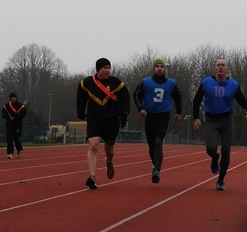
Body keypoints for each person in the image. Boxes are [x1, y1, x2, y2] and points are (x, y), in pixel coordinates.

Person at [192, 59, 247, 191]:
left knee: (226, 150)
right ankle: (214, 156)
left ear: (227, 69)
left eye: (223, 66)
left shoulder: (233, 85)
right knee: (211, 148)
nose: (220, 67)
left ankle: (221, 180)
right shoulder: (206, 82)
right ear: (214, 69)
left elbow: (243, 100)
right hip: (211, 120)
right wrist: (196, 118)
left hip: (226, 120)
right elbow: (196, 100)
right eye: (218, 65)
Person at [76, 58, 130, 189]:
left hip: (112, 120)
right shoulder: (87, 83)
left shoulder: (116, 83)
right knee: (93, 146)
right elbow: (81, 97)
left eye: (109, 68)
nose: (107, 71)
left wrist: (125, 114)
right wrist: (80, 110)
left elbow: (125, 99)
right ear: (98, 69)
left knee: (109, 150)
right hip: (94, 119)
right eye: (104, 68)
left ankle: (109, 162)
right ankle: (92, 177)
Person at [132, 58, 183, 183]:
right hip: (149, 116)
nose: (159, 68)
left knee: (158, 142)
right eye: (157, 66)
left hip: (163, 116)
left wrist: (179, 112)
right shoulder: (145, 82)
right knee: (151, 146)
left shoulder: (171, 83)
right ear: (154, 69)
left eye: (161, 66)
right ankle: (155, 165)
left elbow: (178, 97)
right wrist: (141, 108)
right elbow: (136, 96)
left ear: (164, 69)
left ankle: (156, 170)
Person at [2, 92, 27, 159]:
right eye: (12, 97)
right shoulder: (6, 106)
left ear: (16, 98)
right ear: (10, 98)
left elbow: (24, 113)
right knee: (9, 139)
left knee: (16, 139)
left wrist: (17, 115)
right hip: (9, 124)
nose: (13, 99)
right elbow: (3, 113)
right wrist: (4, 115)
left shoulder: (20, 106)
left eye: (14, 97)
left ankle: (18, 150)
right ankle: (10, 153)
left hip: (17, 125)